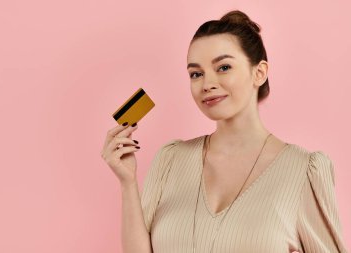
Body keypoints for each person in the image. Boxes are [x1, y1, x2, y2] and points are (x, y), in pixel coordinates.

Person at [101, 9, 348, 253]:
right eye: (196, 74)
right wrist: (128, 182)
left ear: (259, 72)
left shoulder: (303, 170)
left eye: (224, 67)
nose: (207, 84)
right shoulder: (170, 159)